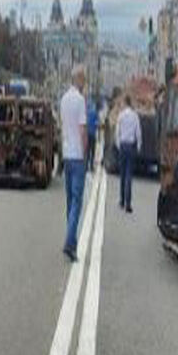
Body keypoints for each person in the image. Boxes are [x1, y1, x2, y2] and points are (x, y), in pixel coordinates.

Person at [60, 65, 88, 261]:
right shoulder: (80, 100)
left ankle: (72, 239)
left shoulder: (63, 99)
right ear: (78, 79)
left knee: (70, 200)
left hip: (66, 154)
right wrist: (86, 152)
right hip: (77, 156)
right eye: (83, 79)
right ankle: (70, 242)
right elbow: (82, 129)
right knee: (77, 201)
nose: (85, 83)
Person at [115, 94, 142, 213]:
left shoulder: (120, 115)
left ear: (125, 103)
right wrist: (139, 146)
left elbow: (117, 132)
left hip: (122, 145)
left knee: (122, 174)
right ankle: (128, 204)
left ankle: (121, 200)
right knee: (129, 175)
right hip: (131, 146)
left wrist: (118, 145)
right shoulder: (135, 116)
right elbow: (138, 132)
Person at [86, 98, 99, 171]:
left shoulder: (87, 112)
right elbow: (97, 123)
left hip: (87, 133)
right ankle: (91, 166)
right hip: (93, 134)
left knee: (87, 151)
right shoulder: (95, 113)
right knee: (92, 151)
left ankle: (86, 165)